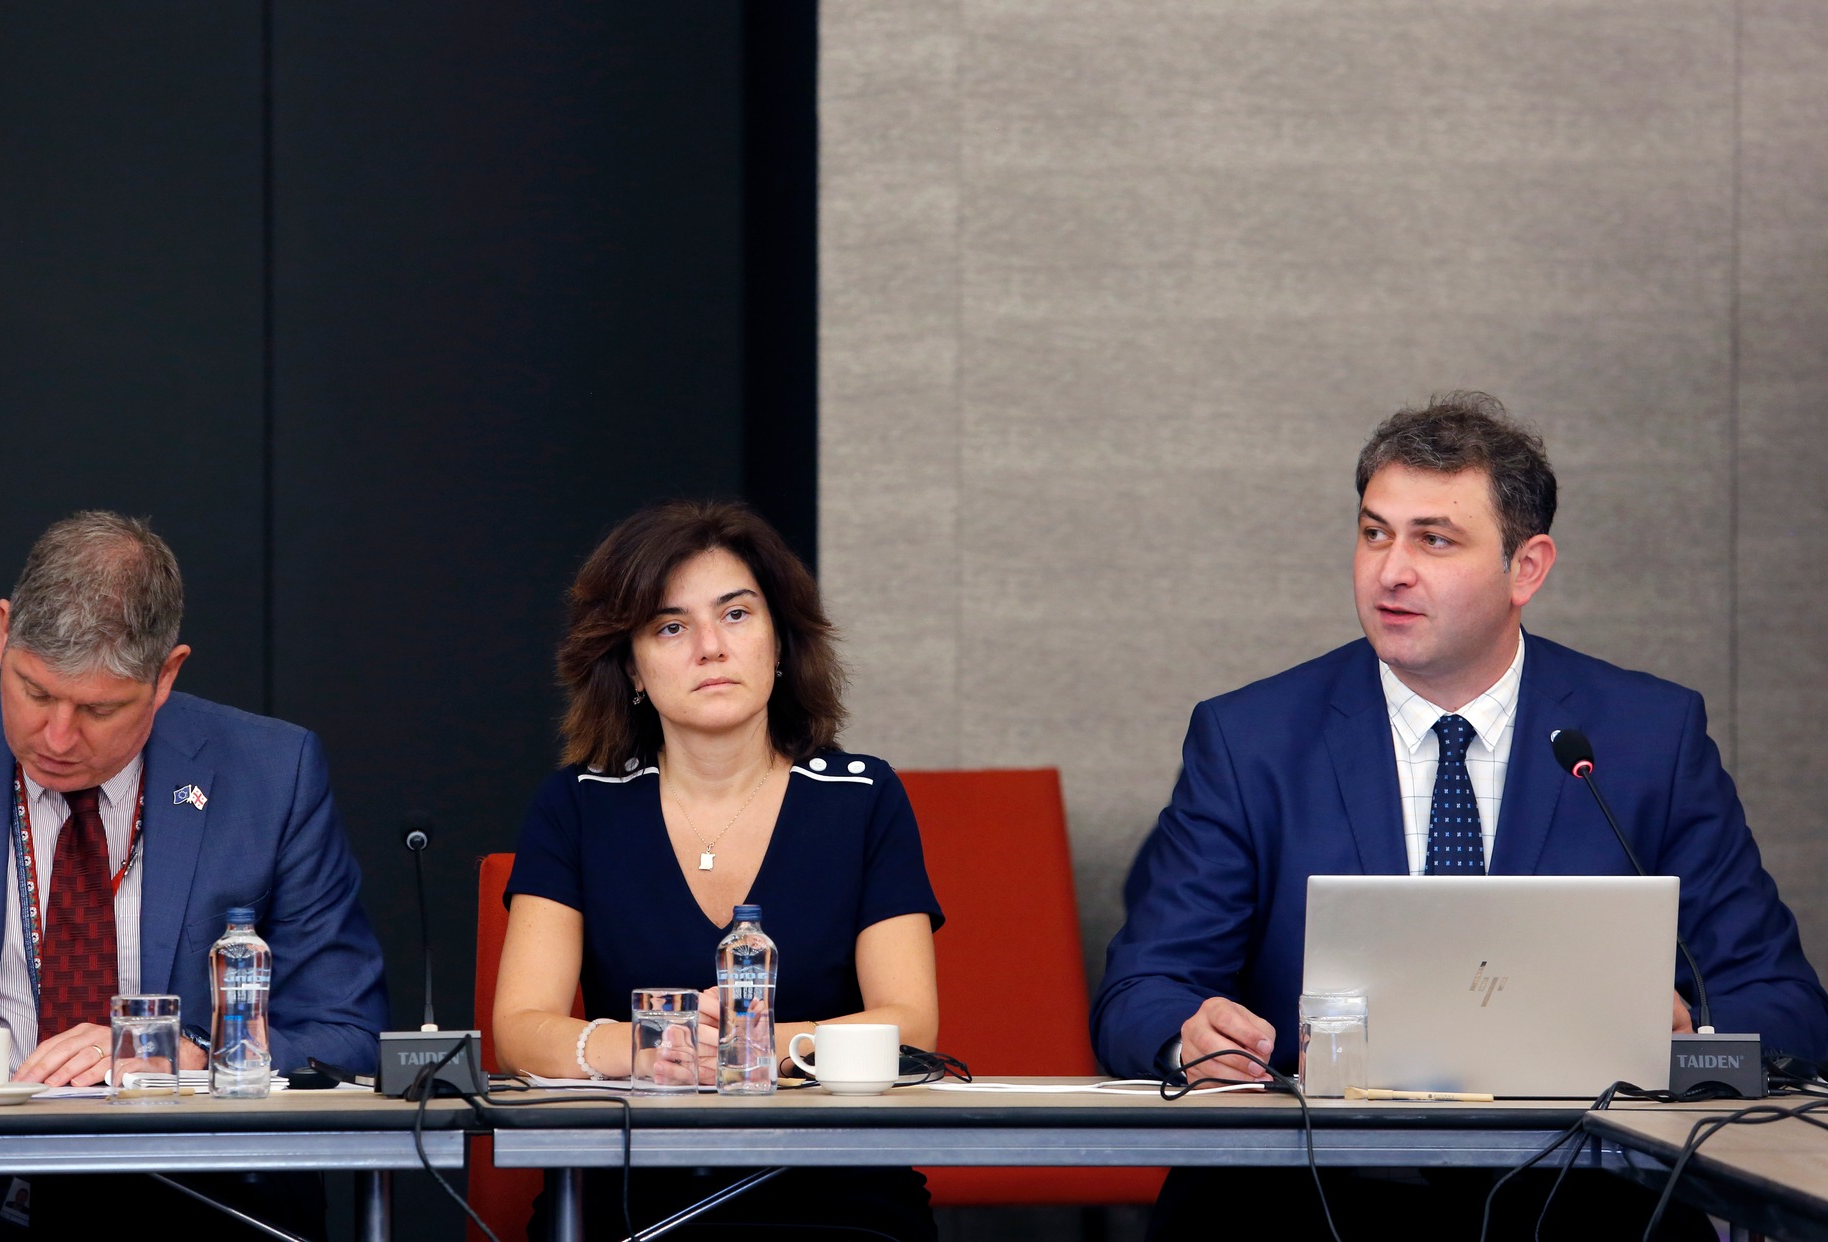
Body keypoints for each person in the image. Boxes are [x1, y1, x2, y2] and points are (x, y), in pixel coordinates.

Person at [1092, 394, 1828, 1239]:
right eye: (1375, 533)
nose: (1390, 571)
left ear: (1527, 568)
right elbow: (1140, 991)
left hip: (1582, 1191)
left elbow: (1784, 1002)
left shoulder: (1646, 738)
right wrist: (1190, 1039)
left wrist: (1691, 1036)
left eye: (1434, 540)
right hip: (1311, 1193)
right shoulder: (1250, 738)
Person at [0, 511, 388, 1237]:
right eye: (36, 693)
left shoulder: (271, 775)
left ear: (166, 675)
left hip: (197, 1186)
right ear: (3, 633)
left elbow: (347, 1033)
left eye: (99, 708)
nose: (58, 738)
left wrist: (184, 1054)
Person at [496, 500, 943, 1241]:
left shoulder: (863, 796)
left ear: (779, 641)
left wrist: (749, 1050)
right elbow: (518, 1029)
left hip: (836, 1190)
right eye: (670, 627)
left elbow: (909, 1020)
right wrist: (654, 1050)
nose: (710, 647)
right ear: (632, 667)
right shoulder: (578, 803)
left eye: (736, 615)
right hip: (629, 1188)